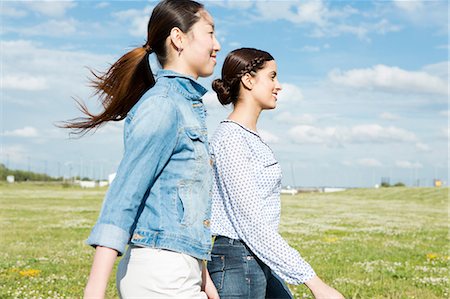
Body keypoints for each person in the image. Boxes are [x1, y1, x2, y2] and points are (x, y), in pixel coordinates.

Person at [61, 1, 221, 298]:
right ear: (179, 38)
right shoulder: (164, 105)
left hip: (179, 268)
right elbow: (125, 193)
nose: (217, 44)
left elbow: (178, 202)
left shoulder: (185, 106)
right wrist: (95, 289)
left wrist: (203, 277)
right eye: (210, 33)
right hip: (160, 274)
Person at [207, 48, 344, 299]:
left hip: (258, 257)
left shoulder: (249, 137)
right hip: (239, 262)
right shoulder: (231, 139)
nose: (278, 86)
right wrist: (316, 284)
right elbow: (252, 223)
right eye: (272, 77)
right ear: (248, 80)